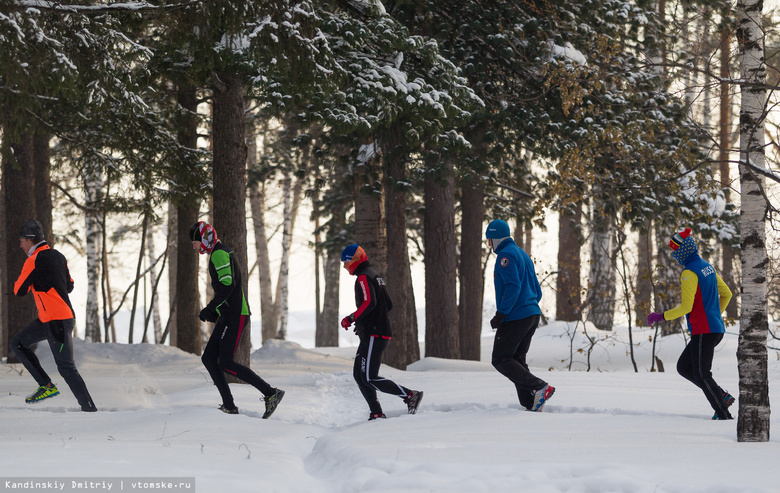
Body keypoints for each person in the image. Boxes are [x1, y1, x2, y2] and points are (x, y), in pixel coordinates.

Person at [190, 221, 284, 418]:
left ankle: (270, 393)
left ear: (205, 238)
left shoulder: (219, 253)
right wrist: (216, 311)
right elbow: (227, 287)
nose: (194, 246)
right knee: (209, 358)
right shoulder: (217, 252)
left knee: (225, 362)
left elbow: (228, 285)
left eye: (195, 241)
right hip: (229, 313)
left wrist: (210, 308)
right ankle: (229, 405)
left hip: (235, 314)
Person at [647, 228, 735, 420]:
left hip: (704, 330)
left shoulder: (689, 273)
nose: (674, 256)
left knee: (702, 373)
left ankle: (723, 414)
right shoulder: (706, 267)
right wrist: (714, 315)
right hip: (714, 328)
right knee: (684, 367)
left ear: (682, 251)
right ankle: (722, 397)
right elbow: (727, 294)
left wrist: (660, 316)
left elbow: (686, 306)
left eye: (675, 251)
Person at [11, 220, 97, 412]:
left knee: (66, 367)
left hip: (56, 320)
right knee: (17, 343)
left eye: (22, 241)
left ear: (30, 240)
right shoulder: (58, 256)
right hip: (52, 318)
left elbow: (19, 290)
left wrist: (35, 281)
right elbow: (69, 286)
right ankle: (46, 386)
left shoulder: (33, 260)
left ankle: (89, 409)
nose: (20, 246)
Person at [340, 244, 423, 420]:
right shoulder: (375, 276)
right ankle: (376, 413)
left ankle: (410, 395)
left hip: (374, 334)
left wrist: (353, 318)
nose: (344, 267)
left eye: (346, 262)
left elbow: (369, 302)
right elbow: (388, 304)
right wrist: (365, 320)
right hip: (375, 332)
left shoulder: (363, 277)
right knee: (359, 375)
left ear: (355, 260)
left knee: (369, 377)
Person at [485, 219, 554, 412]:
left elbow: (513, 286)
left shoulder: (505, 256)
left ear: (496, 238)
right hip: (532, 314)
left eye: (490, 240)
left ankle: (539, 386)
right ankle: (531, 402)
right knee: (517, 359)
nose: (489, 245)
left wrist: (501, 313)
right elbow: (537, 289)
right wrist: (530, 305)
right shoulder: (522, 254)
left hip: (516, 316)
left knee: (500, 358)